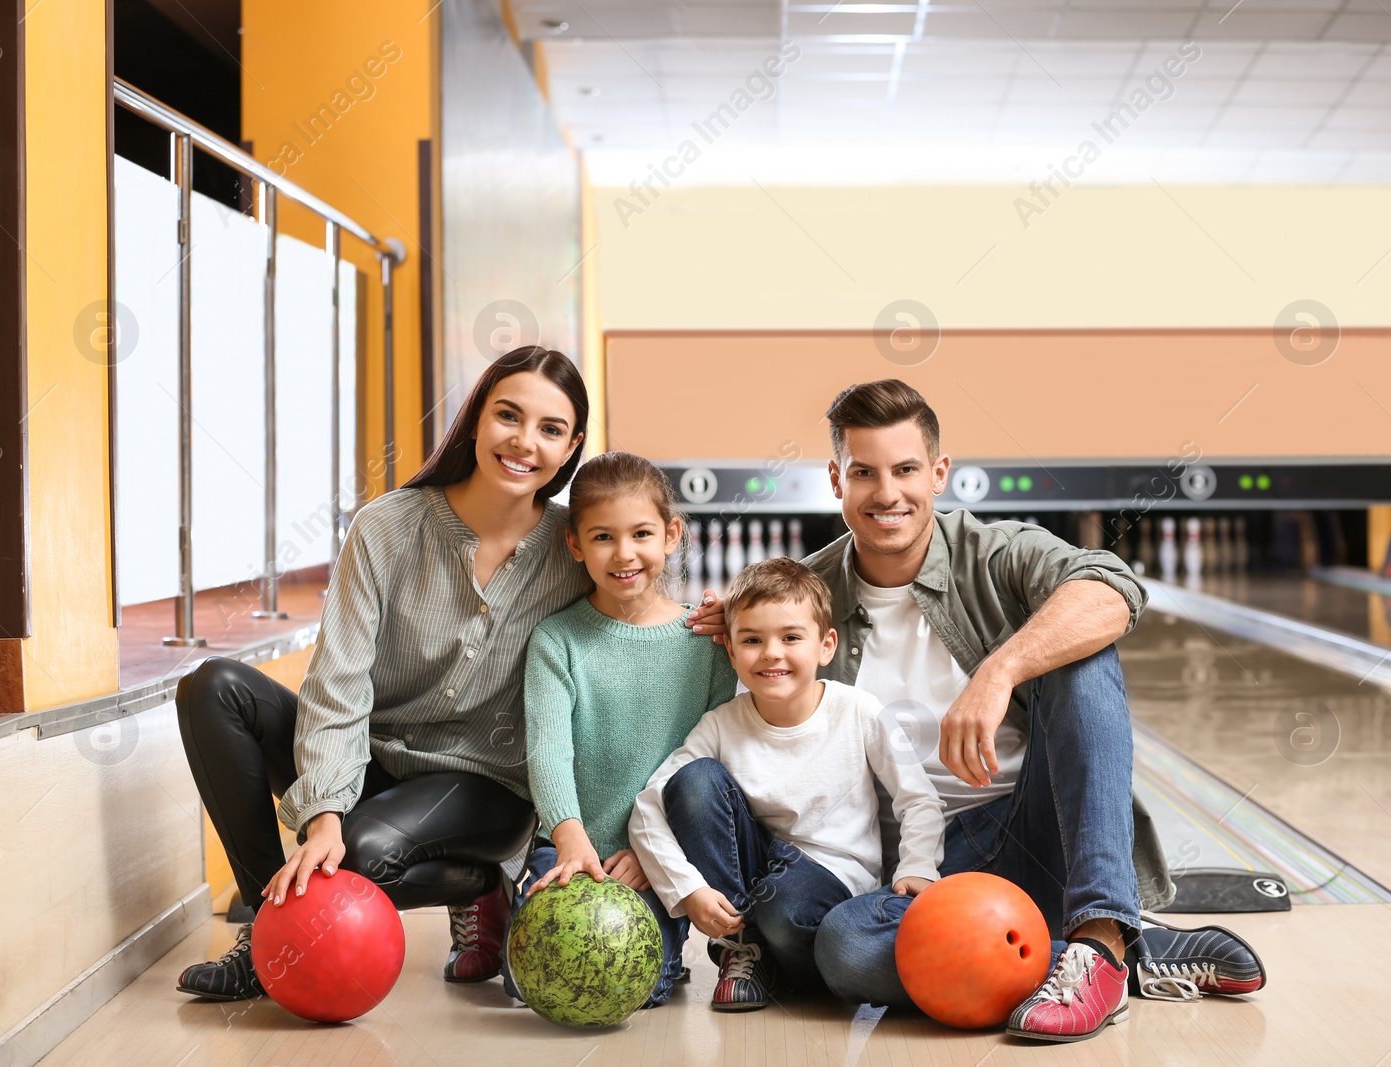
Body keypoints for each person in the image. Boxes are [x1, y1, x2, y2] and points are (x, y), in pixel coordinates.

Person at [686, 380, 1265, 1042]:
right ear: (835, 480)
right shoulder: (803, 595)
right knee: (846, 949)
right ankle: (1099, 958)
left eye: (905, 469)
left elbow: (1114, 587)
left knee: (1080, 651)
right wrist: (733, 631)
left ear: (938, 472)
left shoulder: (997, 554)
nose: (887, 493)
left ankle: (1100, 933)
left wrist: (1001, 669)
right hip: (903, 870)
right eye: (864, 473)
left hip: (1029, 837)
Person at [173, 346, 593, 1001]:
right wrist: (324, 814)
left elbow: (640, 600)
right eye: (507, 415)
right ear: (476, 419)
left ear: (571, 447)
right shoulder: (387, 528)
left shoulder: (574, 549)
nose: (523, 441)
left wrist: (717, 619)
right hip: (376, 761)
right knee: (212, 686)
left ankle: (484, 882)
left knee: (362, 856)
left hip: (486, 783)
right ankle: (266, 932)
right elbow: (337, 683)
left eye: (549, 428)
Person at [630, 557, 945, 1012]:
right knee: (694, 782)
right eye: (752, 640)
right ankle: (746, 950)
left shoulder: (859, 711)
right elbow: (649, 805)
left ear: (826, 645)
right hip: (759, 877)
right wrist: (686, 889)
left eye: (791, 637)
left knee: (784, 906)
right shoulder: (720, 724)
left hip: (833, 881)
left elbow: (917, 798)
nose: (771, 653)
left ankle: (781, 963)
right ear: (732, 652)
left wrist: (917, 865)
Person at [504, 451, 739, 1008]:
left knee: (636, 987)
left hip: (662, 853)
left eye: (641, 533)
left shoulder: (705, 644)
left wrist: (652, 852)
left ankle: (670, 949)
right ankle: (499, 900)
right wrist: (572, 843)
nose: (624, 553)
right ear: (575, 545)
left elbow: (712, 769)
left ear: (671, 535)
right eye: (603, 537)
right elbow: (549, 754)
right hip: (570, 844)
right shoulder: (556, 641)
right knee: (532, 982)